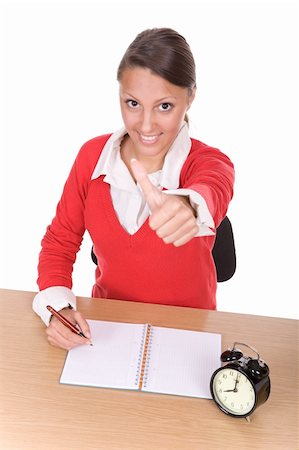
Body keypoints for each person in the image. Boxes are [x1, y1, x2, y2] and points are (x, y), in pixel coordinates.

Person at [33, 27, 235, 350]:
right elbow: (59, 242)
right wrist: (59, 309)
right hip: (106, 333)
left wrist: (188, 206)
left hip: (188, 337)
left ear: (191, 96)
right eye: (133, 103)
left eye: (164, 106)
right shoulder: (92, 158)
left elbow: (213, 190)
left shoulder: (210, 163)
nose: (145, 125)